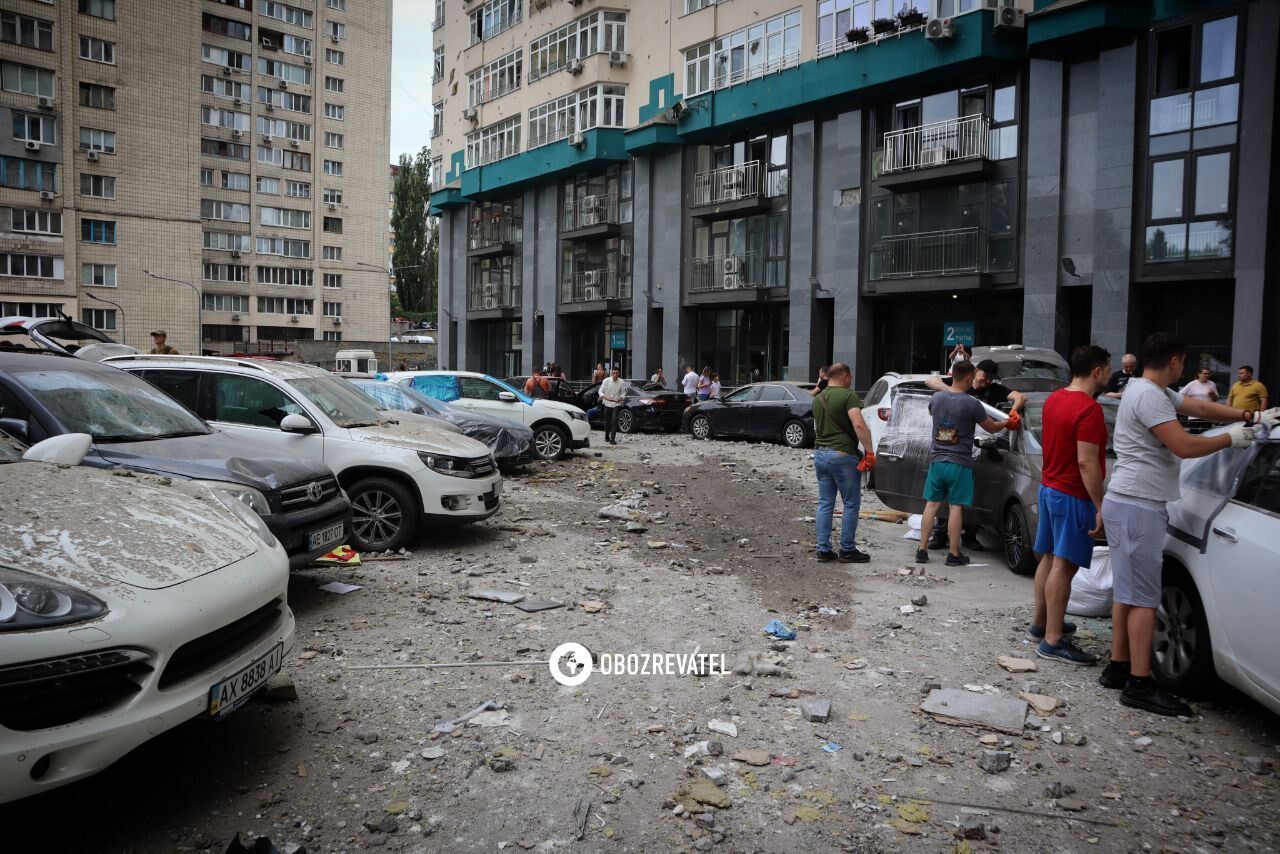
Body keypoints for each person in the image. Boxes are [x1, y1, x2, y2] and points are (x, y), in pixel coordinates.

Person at [1100, 333, 1277, 716]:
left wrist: (1252, 416)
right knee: (1145, 598)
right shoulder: (1149, 395)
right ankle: (1139, 684)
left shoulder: (1149, 390)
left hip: (1129, 502)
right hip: (1138, 505)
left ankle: (1118, 668)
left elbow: (1200, 407)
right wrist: (1232, 439)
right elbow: (1184, 445)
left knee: (1128, 593)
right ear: (1177, 361)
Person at [1030, 345, 1112, 666]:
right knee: (1064, 566)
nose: (1109, 373)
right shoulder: (1089, 409)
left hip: (1049, 488)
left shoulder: (1054, 399)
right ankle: (1053, 640)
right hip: (1072, 494)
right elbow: (1087, 462)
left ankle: (1042, 624)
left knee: (1049, 558)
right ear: (1097, 372)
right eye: (1108, 368)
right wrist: (1100, 505)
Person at [915, 360, 1011, 566]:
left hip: (937, 461)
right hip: (959, 463)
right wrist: (1008, 423)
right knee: (956, 507)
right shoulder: (972, 404)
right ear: (968, 377)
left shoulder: (937, 398)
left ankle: (921, 550)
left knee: (931, 505)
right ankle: (954, 554)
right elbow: (992, 428)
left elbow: (933, 413)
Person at [812, 363, 874, 563]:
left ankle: (823, 549)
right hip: (842, 456)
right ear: (845, 376)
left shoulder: (818, 398)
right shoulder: (849, 396)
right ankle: (847, 550)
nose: (851, 381)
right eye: (851, 378)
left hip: (820, 454)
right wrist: (870, 451)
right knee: (851, 503)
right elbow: (858, 423)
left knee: (825, 503)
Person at [599, 367, 626, 444]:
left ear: (619, 373)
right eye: (613, 373)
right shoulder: (606, 381)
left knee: (614, 421)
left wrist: (620, 398)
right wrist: (605, 397)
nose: (615, 374)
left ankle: (613, 439)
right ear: (611, 373)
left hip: (616, 404)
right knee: (607, 422)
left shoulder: (621, 382)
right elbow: (600, 391)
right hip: (607, 403)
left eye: (616, 373)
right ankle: (607, 435)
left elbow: (623, 393)